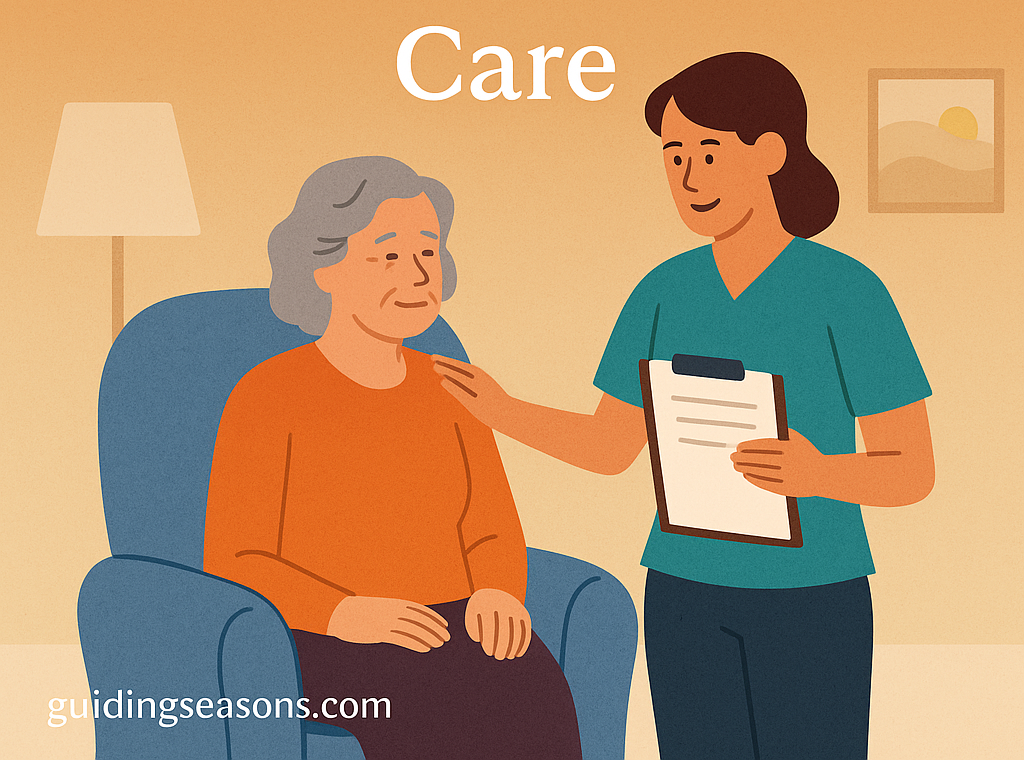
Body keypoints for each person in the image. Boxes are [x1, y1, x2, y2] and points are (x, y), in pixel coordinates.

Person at [433, 53, 935, 760]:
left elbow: (912, 471)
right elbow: (611, 449)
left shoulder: (847, 292)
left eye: (708, 151)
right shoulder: (663, 292)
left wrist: (818, 474)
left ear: (769, 153)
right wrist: (504, 409)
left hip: (812, 597)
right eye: (673, 155)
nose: (688, 176)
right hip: (684, 594)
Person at [204, 156, 582, 760]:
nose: (415, 276)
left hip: (451, 622)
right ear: (323, 270)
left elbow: (489, 525)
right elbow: (236, 556)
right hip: (320, 638)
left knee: (530, 682)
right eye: (387, 256)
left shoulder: (451, 387)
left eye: (427, 254)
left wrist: (499, 591)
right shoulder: (269, 394)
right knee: (415, 701)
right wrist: (342, 614)